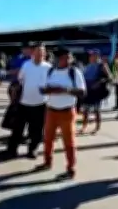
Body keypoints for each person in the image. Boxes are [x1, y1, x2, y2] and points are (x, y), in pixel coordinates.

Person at [37, 48, 86, 178]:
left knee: (69, 142)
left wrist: (64, 90)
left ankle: (71, 168)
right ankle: (47, 162)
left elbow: (82, 92)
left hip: (67, 111)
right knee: (48, 139)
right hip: (51, 110)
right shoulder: (51, 71)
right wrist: (49, 90)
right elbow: (42, 89)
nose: (66, 60)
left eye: (68, 57)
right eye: (63, 57)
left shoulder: (74, 72)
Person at [1, 42, 50, 159]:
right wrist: (14, 96)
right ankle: (12, 150)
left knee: (36, 130)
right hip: (24, 103)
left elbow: (51, 84)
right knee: (17, 129)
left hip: (40, 103)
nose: (40, 54)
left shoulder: (48, 67)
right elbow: (20, 81)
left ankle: (32, 150)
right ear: (33, 53)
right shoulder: (26, 65)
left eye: (42, 52)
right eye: (38, 51)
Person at [80, 50, 112, 134]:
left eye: (93, 55)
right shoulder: (87, 66)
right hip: (87, 90)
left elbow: (110, 77)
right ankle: (84, 126)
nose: (91, 57)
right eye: (90, 55)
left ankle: (97, 127)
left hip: (96, 91)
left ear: (97, 56)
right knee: (85, 110)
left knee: (96, 110)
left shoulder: (102, 65)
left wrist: (99, 82)